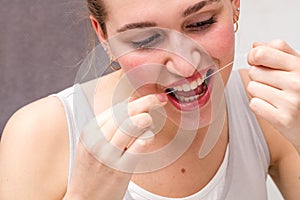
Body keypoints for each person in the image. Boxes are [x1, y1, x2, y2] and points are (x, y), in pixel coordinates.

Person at [1, 0, 300, 199]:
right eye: (145, 40)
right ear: (103, 36)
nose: (184, 66)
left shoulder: (267, 106)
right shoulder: (38, 134)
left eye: (201, 23)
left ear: (234, 4)